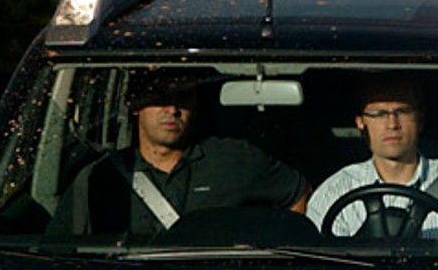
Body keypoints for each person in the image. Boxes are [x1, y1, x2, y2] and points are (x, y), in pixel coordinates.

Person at [49, 69, 309, 237]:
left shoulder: (235, 159)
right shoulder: (100, 179)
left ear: (195, 106)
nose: (172, 109)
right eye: (160, 98)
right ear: (136, 105)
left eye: (182, 98)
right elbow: (59, 251)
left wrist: (280, 258)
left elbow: (299, 195)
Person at [308, 74, 438, 241]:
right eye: (379, 114)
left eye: (403, 111)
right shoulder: (333, 192)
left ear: (420, 118)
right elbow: (321, 265)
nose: (392, 124)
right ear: (361, 122)